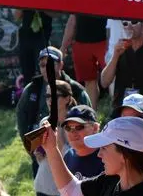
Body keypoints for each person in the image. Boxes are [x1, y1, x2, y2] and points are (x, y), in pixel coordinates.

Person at [16, 47, 91, 176]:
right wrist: (31, 148)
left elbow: (89, 121)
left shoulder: (76, 90)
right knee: (44, 192)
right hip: (41, 155)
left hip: (73, 156)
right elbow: (21, 117)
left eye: (51, 64)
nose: (46, 68)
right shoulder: (32, 89)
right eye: (43, 65)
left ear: (61, 65)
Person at [101, 20, 143, 120]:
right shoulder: (121, 48)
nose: (128, 26)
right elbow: (104, 82)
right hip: (121, 111)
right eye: (124, 23)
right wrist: (115, 56)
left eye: (133, 22)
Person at [32, 81, 73, 196]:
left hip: (61, 190)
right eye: (48, 96)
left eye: (54, 96)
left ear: (67, 99)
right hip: (43, 183)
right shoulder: (45, 121)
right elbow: (41, 154)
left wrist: (59, 126)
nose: (50, 100)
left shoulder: (74, 124)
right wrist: (39, 152)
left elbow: (69, 156)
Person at [61, 14, 109, 108]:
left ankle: (115, 111)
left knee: (112, 80)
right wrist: (63, 47)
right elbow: (72, 20)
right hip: (81, 42)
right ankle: (91, 113)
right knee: (89, 80)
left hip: (104, 40)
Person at [61, 105, 105, 179]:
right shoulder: (68, 156)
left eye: (79, 127)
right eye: (68, 128)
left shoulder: (107, 157)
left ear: (95, 128)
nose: (72, 132)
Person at [15, 10, 53, 85]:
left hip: (42, 37)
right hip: (25, 37)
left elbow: (55, 14)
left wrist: (40, 5)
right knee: (27, 71)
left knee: (44, 69)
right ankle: (29, 92)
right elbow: (16, 17)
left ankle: (46, 91)